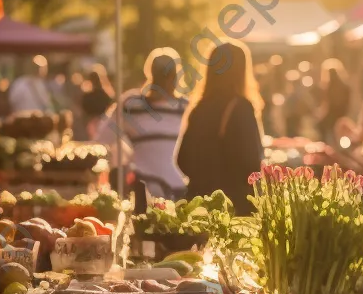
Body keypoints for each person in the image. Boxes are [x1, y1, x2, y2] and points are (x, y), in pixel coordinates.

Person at [176, 41, 264, 214]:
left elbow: (182, 159)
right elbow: (251, 160)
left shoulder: (199, 107)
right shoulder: (241, 107)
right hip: (233, 206)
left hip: (198, 204)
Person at [98, 49, 187, 202]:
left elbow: (103, 139)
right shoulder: (186, 107)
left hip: (143, 190)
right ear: (177, 75)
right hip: (179, 189)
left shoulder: (131, 104)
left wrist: (127, 156)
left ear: (149, 72)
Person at [316, 59, 352, 145]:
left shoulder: (330, 86)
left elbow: (327, 103)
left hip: (334, 114)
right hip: (342, 113)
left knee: (320, 126)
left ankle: (324, 145)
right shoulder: (344, 85)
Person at [81, 65, 116, 139]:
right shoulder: (106, 94)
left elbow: (84, 108)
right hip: (103, 120)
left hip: (93, 120)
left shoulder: (88, 96)